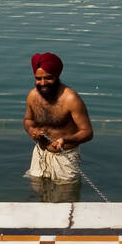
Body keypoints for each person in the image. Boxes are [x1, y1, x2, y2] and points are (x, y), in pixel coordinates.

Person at [23, 52, 93, 193]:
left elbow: (88, 132)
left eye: (48, 78)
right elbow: (28, 120)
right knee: (37, 192)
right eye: (38, 79)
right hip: (40, 153)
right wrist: (31, 130)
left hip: (65, 157)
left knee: (65, 198)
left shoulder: (71, 99)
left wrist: (65, 139)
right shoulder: (33, 96)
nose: (43, 83)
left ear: (57, 76)